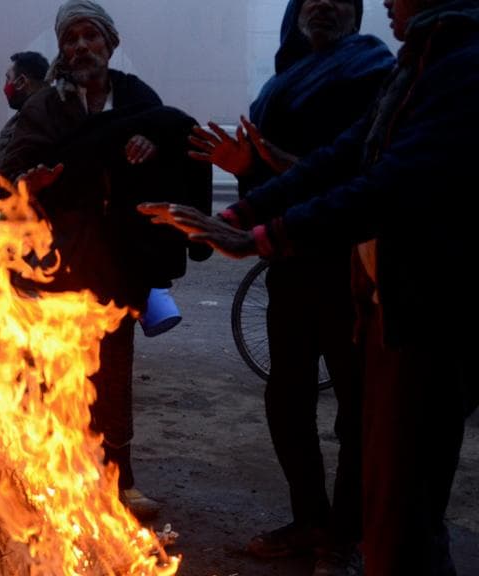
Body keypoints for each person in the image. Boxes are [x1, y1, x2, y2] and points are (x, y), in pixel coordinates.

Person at [140, 0, 479, 572]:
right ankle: (314, 523)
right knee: (299, 408)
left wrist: (262, 233)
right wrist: (241, 209)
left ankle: (344, 538)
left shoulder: (445, 65)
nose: (386, 2)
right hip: (349, 283)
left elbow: (383, 182)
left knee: (400, 489)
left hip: (423, 303)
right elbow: (335, 158)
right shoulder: (406, 66)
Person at [186, 1, 394, 572]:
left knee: (356, 406)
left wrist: (273, 164)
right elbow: (274, 176)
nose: (323, 5)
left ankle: (346, 535)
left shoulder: (374, 72)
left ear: (357, 16)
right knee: (287, 398)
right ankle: (309, 519)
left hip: (350, 264)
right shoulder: (281, 87)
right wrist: (243, 167)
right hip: (291, 265)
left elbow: (354, 172)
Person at [0, 0, 212, 521]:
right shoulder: (45, 107)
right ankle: (57, 481)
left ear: (110, 44)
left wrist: (152, 145)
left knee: (112, 374)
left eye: (89, 36)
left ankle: (120, 480)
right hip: (58, 260)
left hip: (120, 259)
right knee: (53, 374)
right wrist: (31, 183)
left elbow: (176, 145)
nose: (80, 47)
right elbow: (10, 170)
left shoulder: (139, 98)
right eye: (70, 39)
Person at [0, 51, 50, 171]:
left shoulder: (33, 118)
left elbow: (2, 168)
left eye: (8, 78)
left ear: (21, 82)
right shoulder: (45, 107)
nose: (5, 86)